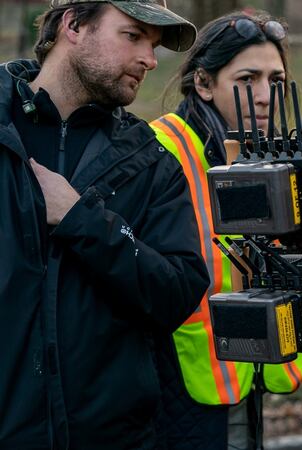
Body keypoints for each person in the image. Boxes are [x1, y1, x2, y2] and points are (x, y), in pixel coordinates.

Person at [0, 0, 209, 448]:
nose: (150, 60)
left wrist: (83, 221)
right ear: (74, 25)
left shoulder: (151, 163)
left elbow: (177, 293)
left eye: (153, 46)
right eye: (132, 36)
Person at [150, 11, 302, 450]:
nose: (263, 96)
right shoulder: (160, 151)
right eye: (247, 78)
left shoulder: (271, 154)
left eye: (275, 81)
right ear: (203, 83)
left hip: (252, 371)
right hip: (179, 383)